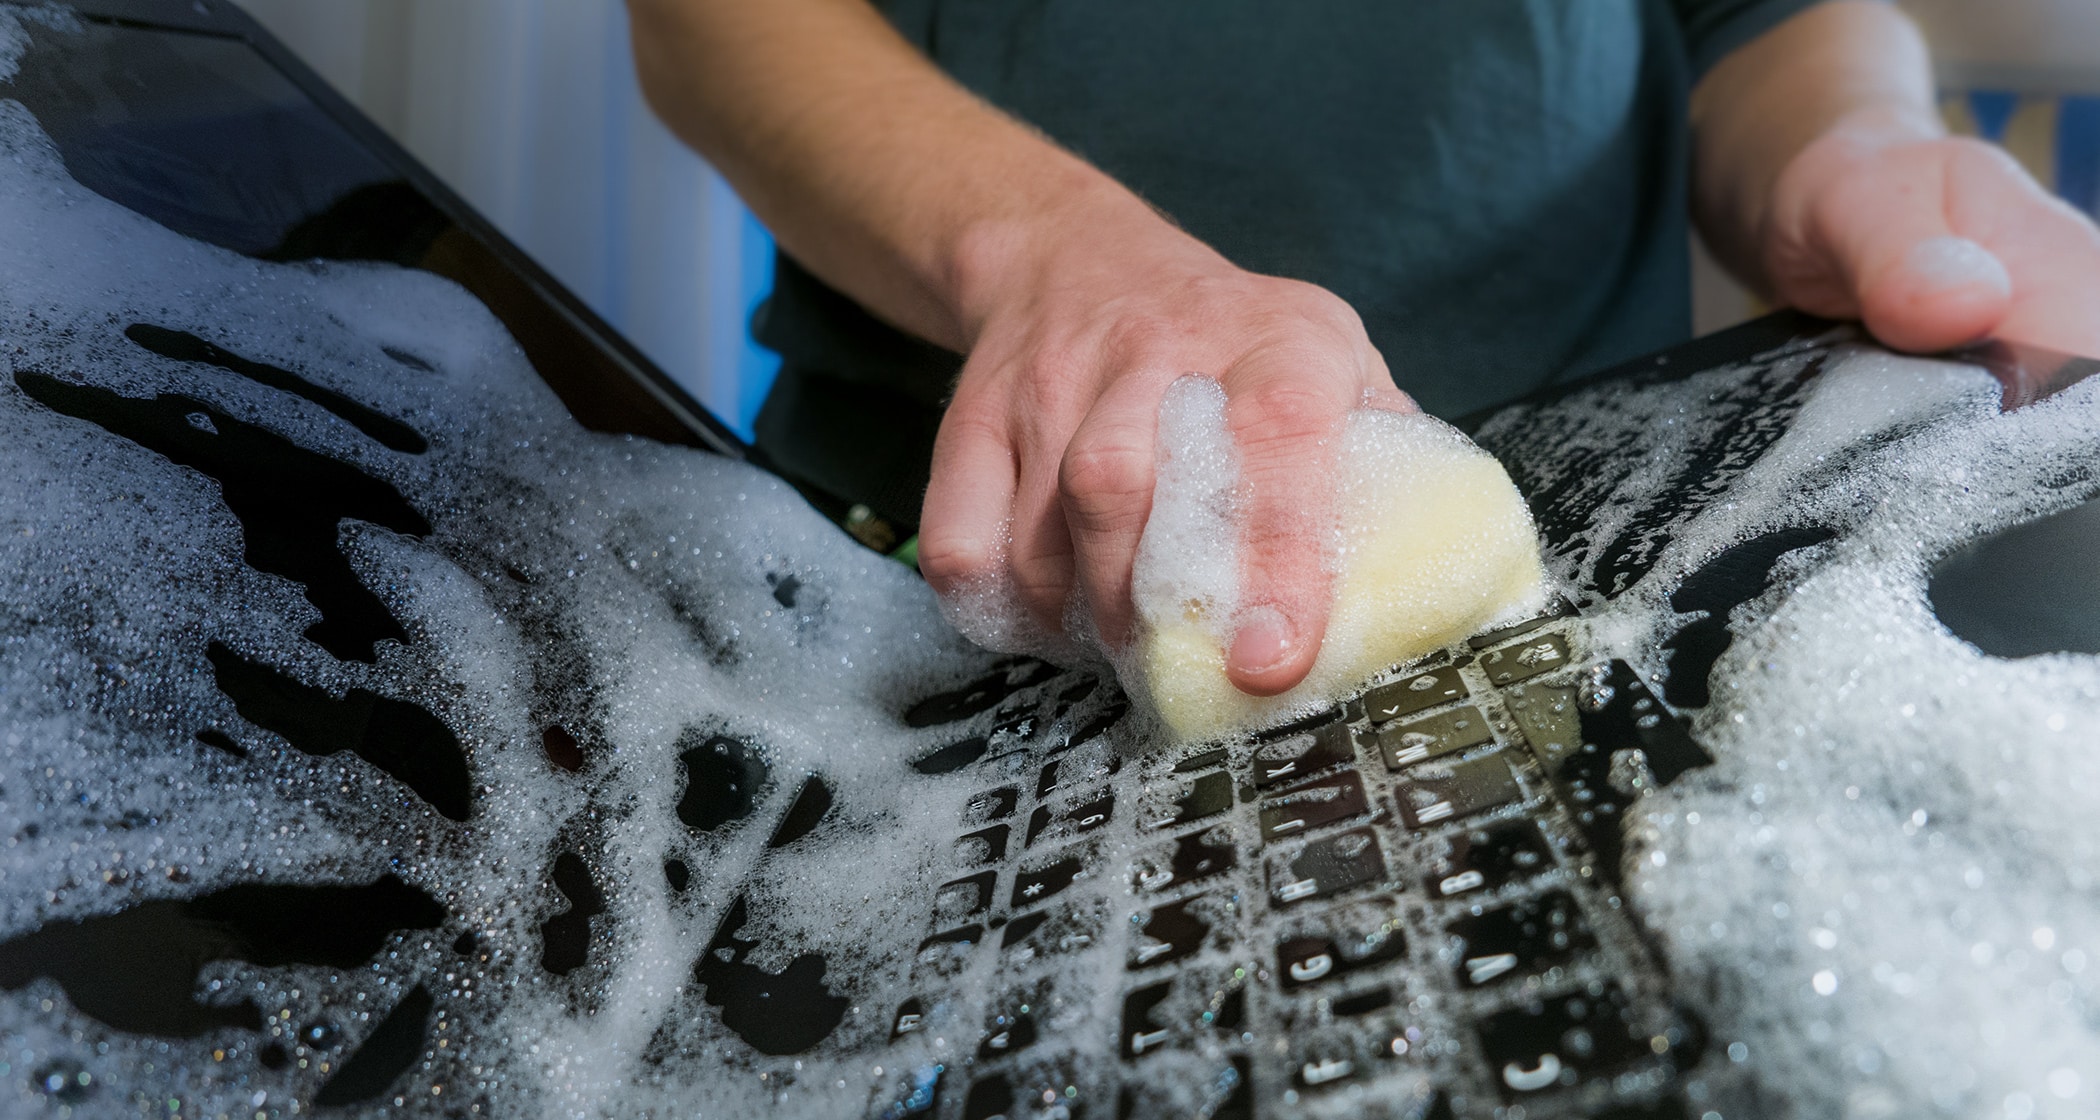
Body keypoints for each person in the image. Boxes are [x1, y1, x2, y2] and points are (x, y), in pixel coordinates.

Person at [626, 0, 2100, 698]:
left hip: (1593, 563)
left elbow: (1767, 15)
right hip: (925, 606)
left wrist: (1854, 146)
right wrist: (1046, 251)